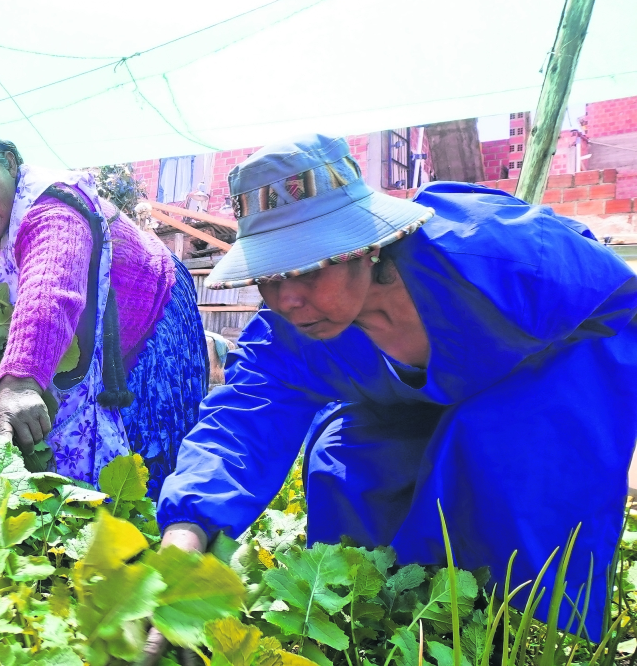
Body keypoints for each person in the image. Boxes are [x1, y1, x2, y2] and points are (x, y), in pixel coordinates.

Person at [155, 134, 637, 643]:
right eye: (269, 278)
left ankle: (519, 633)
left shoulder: (493, 254)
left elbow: (616, 299)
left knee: (493, 447)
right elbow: (241, 422)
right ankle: (380, 625)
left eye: (306, 268)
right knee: (343, 460)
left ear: (365, 246)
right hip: (429, 395)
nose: (287, 298)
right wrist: (186, 532)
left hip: (559, 366)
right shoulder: (288, 333)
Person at [0, 122, 209, 495]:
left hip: (146, 318)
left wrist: (22, 381)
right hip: (52, 348)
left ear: (9, 163)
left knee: (141, 466)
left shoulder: (52, 206)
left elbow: (52, 286)